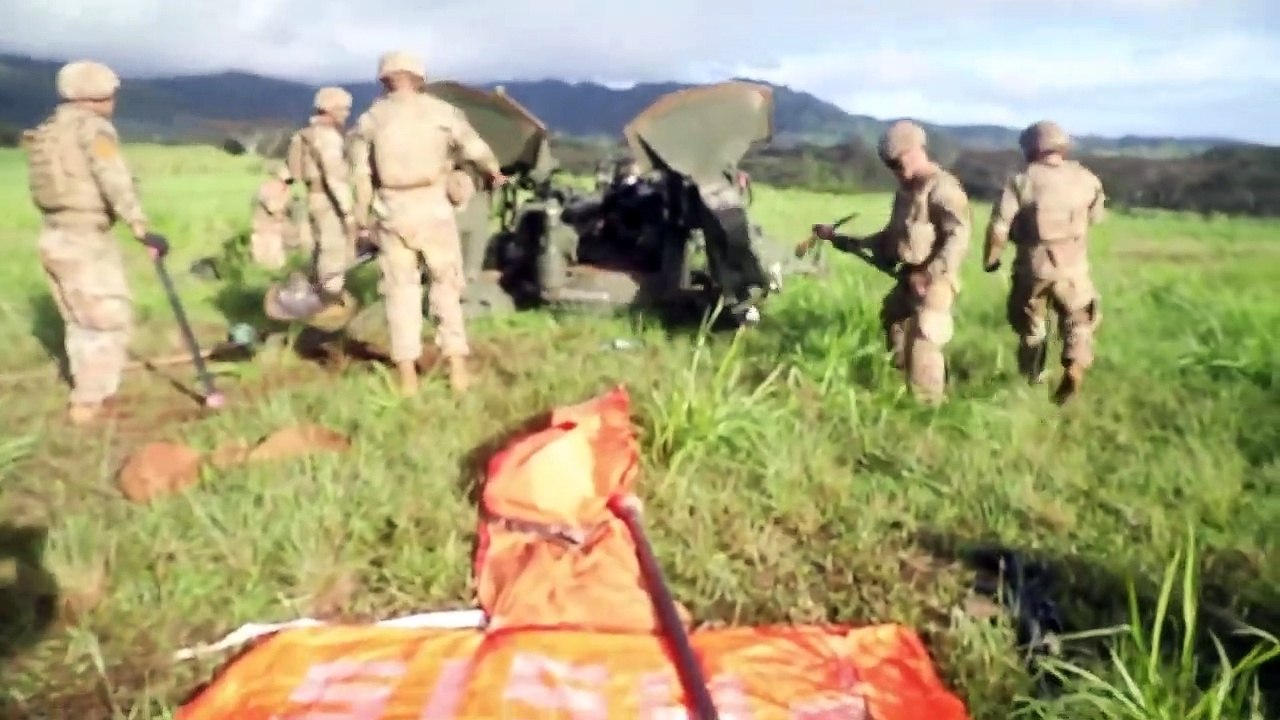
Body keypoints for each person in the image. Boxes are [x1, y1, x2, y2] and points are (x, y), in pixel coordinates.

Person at [349, 50, 506, 395]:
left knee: (399, 292)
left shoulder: (371, 119)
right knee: (446, 288)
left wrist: (361, 220)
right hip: (433, 209)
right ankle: (458, 372)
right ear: (420, 77)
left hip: (392, 212)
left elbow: (360, 175)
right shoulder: (442, 112)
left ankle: (407, 378)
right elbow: (475, 149)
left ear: (384, 79)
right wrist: (494, 172)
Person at [24, 60, 168, 425]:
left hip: (54, 233)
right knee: (107, 318)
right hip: (85, 237)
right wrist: (139, 225)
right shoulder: (94, 131)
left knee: (79, 320)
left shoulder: (49, 130)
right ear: (98, 94)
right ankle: (92, 401)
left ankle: (87, 391)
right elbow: (112, 176)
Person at [814, 120, 972, 404]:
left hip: (934, 282)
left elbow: (958, 237)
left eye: (898, 164)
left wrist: (930, 274)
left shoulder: (942, 188)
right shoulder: (906, 193)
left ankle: (928, 409)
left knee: (924, 339)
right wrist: (841, 239)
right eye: (890, 166)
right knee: (893, 319)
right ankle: (903, 384)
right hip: (908, 279)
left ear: (916, 151)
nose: (896, 172)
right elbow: (889, 239)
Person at [982, 120, 1105, 404]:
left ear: (1029, 148)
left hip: (1033, 267)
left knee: (1031, 327)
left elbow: (999, 227)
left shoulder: (1022, 180)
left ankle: (1033, 378)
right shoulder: (1087, 178)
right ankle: (1075, 365)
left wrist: (991, 258)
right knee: (1079, 321)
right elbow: (1096, 218)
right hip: (1074, 268)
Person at [285, 86, 356, 299]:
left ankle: (315, 297)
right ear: (330, 110)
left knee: (319, 252)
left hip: (313, 200)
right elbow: (334, 179)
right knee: (333, 254)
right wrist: (349, 214)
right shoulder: (328, 138)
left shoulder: (306, 134)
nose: (346, 114)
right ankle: (329, 303)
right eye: (343, 109)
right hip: (328, 202)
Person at [248, 162, 294, 270]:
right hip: (263, 228)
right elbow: (272, 207)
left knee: (276, 262)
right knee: (261, 260)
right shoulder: (266, 187)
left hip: (275, 230)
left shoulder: (286, 190)